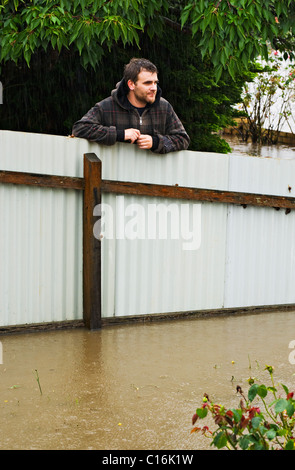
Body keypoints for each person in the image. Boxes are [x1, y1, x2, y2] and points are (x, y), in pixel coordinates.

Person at [72, 58, 190, 154]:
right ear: (131, 84)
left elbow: (182, 139)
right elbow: (80, 128)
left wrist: (155, 142)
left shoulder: (164, 107)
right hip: (114, 177)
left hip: (153, 177)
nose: (154, 88)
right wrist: (120, 134)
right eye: (148, 83)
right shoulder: (108, 106)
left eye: (155, 82)